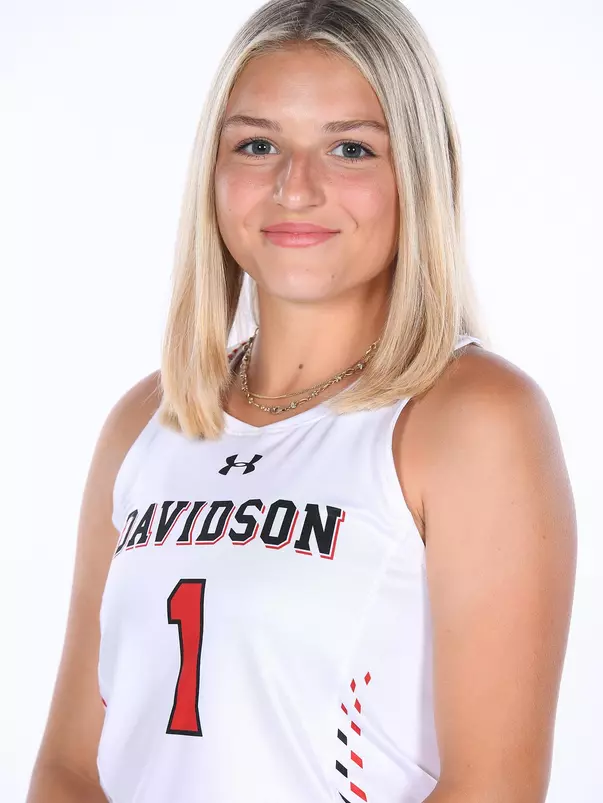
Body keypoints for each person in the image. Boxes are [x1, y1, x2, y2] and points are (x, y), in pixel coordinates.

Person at [26, 1, 577, 802]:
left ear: (416, 172)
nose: (295, 187)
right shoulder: (145, 421)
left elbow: (491, 788)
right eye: (257, 144)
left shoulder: (472, 419)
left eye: (350, 148)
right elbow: (71, 766)